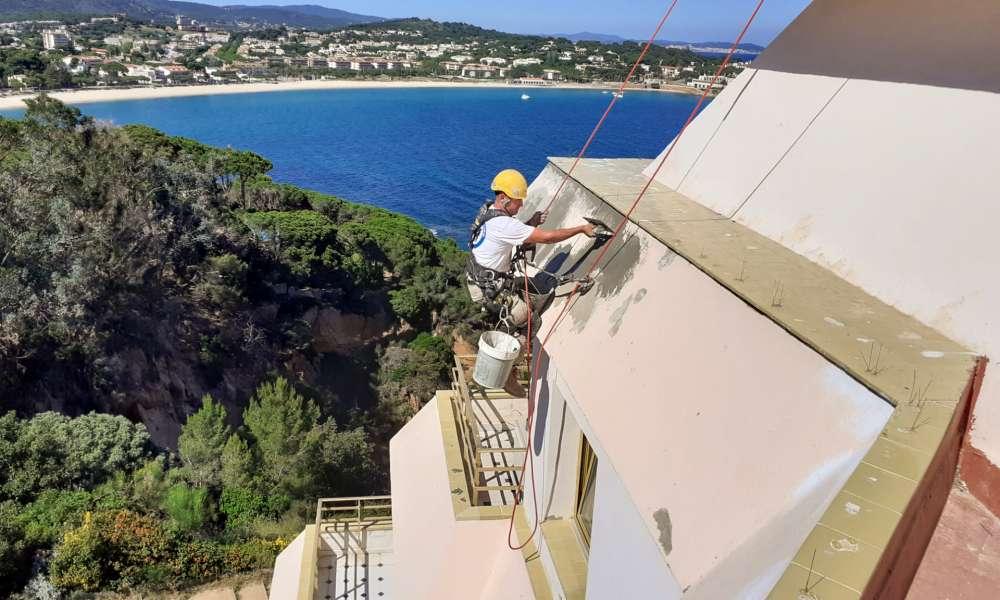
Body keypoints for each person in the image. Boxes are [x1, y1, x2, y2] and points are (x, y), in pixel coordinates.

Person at [466, 168, 596, 330]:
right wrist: (581, 229)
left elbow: (511, 234)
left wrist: (533, 221)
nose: (521, 204)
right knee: (528, 319)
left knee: (526, 285)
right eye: (517, 200)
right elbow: (547, 238)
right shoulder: (504, 224)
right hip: (488, 289)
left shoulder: (489, 210)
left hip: (478, 279)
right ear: (503, 198)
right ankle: (510, 337)